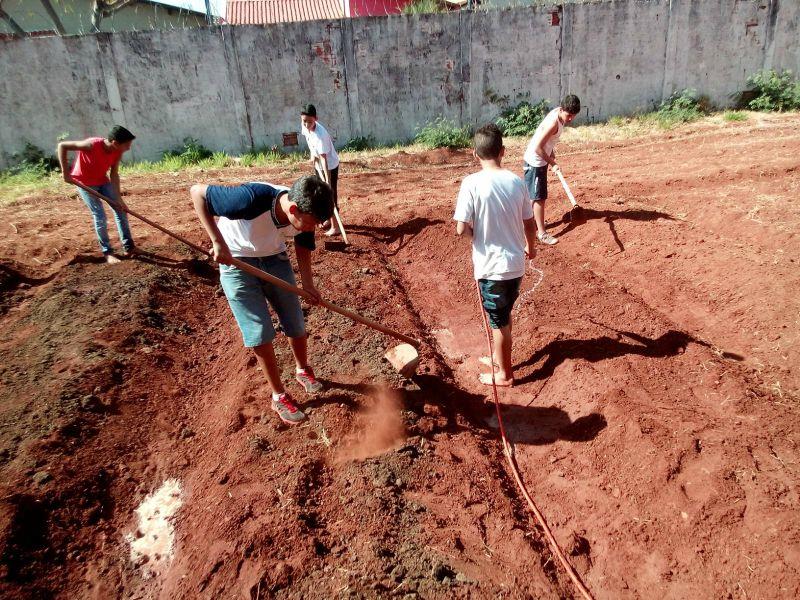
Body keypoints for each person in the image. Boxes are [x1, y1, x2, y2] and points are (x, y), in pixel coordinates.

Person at [191, 175, 333, 425]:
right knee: (260, 331)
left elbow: (303, 246)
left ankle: (302, 371)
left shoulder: (305, 213)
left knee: (296, 321)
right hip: (236, 261)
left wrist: (308, 285)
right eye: (311, 223)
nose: (313, 227)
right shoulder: (248, 199)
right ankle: (279, 396)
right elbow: (197, 193)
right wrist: (217, 241)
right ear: (293, 209)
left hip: (274, 259)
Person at [454, 124, 537, 387]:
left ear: (474, 154)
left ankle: (505, 374)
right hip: (515, 265)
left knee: (498, 322)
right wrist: (531, 247)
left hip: (491, 268)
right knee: (504, 313)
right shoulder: (516, 181)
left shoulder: (471, 183)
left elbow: (461, 228)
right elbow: (529, 222)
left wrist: (474, 237)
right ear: (503, 151)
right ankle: (499, 358)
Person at [58, 126, 137, 263]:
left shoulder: (117, 152)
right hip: (85, 183)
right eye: (127, 145)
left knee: (121, 210)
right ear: (115, 143)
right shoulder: (90, 145)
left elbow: (114, 174)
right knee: (100, 216)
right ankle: (108, 252)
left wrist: (119, 199)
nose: (128, 148)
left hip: (102, 180)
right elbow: (62, 145)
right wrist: (66, 174)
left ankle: (129, 247)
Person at [522, 94, 581, 245]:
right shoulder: (553, 123)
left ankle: (522, 223)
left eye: (573, 116)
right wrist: (552, 163)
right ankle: (542, 234)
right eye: (568, 115)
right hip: (535, 162)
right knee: (539, 198)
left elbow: (548, 142)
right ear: (561, 109)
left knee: (533, 196)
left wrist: (551, 154)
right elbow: (538, 148)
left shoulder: (558, 114)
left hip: (538, 160)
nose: (570, 119)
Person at [300, 104, 341, 237]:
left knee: (329, 194)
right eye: (304, 121)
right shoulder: (306, 125)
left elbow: (324, 160)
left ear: (316, 119)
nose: (306, 124)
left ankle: (335, 227)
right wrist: (312, 154)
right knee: (320, 193)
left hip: (329, 165)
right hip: (318, 164)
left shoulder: (321, 135)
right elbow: (308, 138)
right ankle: (328, 219)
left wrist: (327, 180)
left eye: (310, 122)